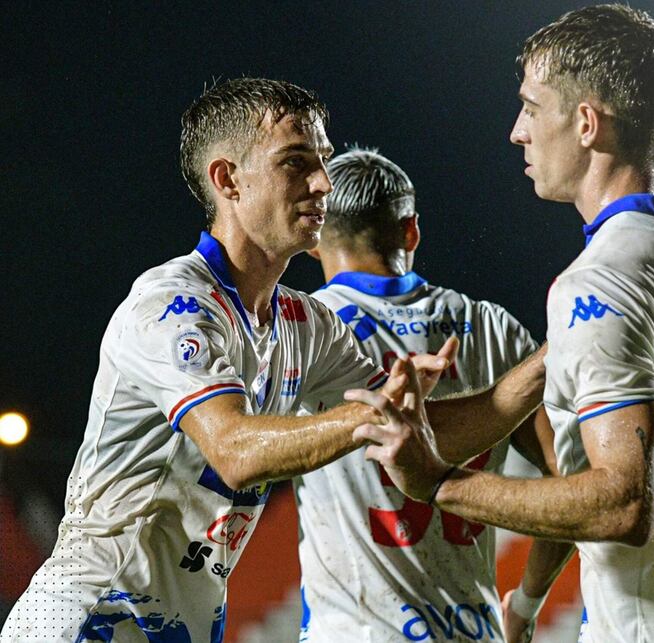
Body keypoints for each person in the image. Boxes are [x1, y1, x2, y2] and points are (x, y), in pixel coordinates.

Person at [347, 5, 654, 642]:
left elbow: (623, 502)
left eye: (531, 107)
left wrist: (441, 484)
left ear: (586, 123)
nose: (517, 131)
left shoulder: (598, 282)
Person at [0, 78, 459, 643]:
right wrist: (374, 414)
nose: (323, 182)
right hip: (87, 621)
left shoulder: (307, 323)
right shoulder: (172, 304)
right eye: (296, 162)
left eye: (324, 161)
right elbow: (236, 451)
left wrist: (538, 373)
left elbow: (421, 429)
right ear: (228, 180)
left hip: (183, 627)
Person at [295, 147, 551, 641]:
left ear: (315, 239)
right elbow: (569, 474)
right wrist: (525, 603)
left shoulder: (306, 328)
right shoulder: (492, 327)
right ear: (411, 231)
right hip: (473, 632)